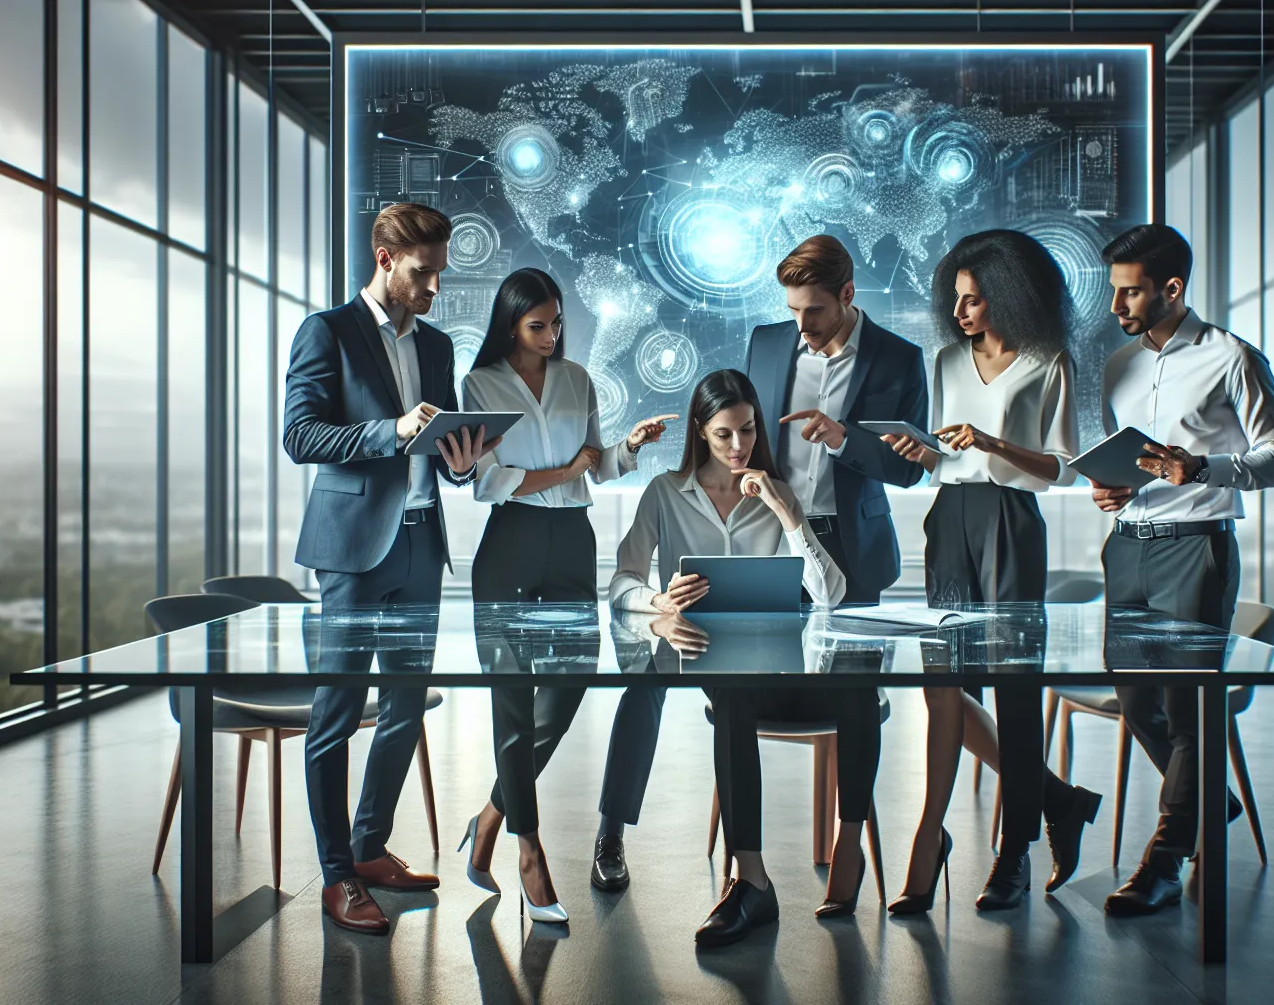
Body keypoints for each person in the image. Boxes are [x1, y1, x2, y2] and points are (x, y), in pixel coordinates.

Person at [282, 202, 497, 935]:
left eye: (440, 272)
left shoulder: (437, 345)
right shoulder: (328, 332)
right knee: (336, 714)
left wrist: (463, 462)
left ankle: (370, 849)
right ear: (384, 259)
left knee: (406, 706)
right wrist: (390, 430)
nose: (435, 286)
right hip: (351, 549)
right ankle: (337, 876)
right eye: (423, 272)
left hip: (418, 543)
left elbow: (444, 448)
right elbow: (300, 433)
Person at [607, 369, 877, 948]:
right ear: (702, 433)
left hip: (783, 658)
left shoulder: (776, 493)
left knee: (859, 679)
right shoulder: (665, 494)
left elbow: (830, 596)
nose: (738, 447)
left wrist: (789, 514)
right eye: (725, 434)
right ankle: (751, 880)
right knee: (730, 693)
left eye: (748, 432)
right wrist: (659, 601)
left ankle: (847, 839)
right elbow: (622, 582)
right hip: (710, 660)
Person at [880, 229, 1102, 913]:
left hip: (1011, 521)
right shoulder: (946, 361)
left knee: (1014, 685)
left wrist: (993, 441)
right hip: (950, 519)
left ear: (1009, 295)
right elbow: (946, 457)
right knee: (943, 682)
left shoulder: (1047, 362)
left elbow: (1062, 467)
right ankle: (1058, 801)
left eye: (974, 300)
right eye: (957, 299)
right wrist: (920, 455)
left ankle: (1016, 852)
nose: (961, 312)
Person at [453, 267, 674, 924]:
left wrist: (626, 450)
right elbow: (487, 484)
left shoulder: (578, 381)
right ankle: (529, 849)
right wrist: (568, 469)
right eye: (537, 325)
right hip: (510, 543)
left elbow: (595, 468)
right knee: (512, 701)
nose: (551, 335)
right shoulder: (480, 384)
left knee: (573, 680)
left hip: (572, 539)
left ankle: (492, 813)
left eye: (557, 323)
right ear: (511, 323)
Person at [1090, 224, 1274, 916]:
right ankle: (1213, 802)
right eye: (1114, 290)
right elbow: (1125, 460)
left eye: (1131, 291)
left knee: (1186, 710)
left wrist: (1202, 466)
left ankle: (1165, 862)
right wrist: (1112, 489)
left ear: (1172, 289)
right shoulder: (1117, 365)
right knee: (1134, 699)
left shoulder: (1231, 357)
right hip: (1125, 546)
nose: (1117, 304)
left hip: (1195, 550)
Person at [744, 234, 930, 605]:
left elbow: (910, 471)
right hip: (769, 540)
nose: (801, 325)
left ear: (847, 294)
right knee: (765, 661)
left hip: (854, 548)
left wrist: (843, 439)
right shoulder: (764, 346)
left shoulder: (899, 359)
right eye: (793, 310)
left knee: (854, 663)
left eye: (813, 310)